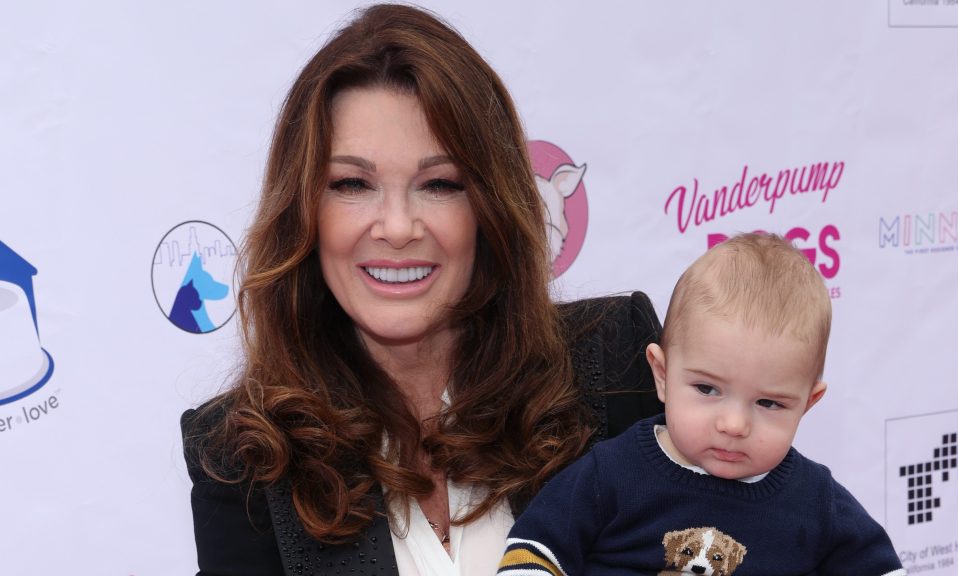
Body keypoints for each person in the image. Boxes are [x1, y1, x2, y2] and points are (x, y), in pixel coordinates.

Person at [180, 5, 661, 576]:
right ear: (304, 211)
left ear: (490, 207)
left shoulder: (617, 366)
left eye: (439, 184)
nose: (399, 227)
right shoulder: (244, 457)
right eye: (352, 184)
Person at [499, 233, 907, 576]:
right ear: (662, 374)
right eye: (707, 390)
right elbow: (535, 550)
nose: (733, 424)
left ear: (808, 403)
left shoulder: (816, 501)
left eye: (768, 403)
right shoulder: (613, 474)